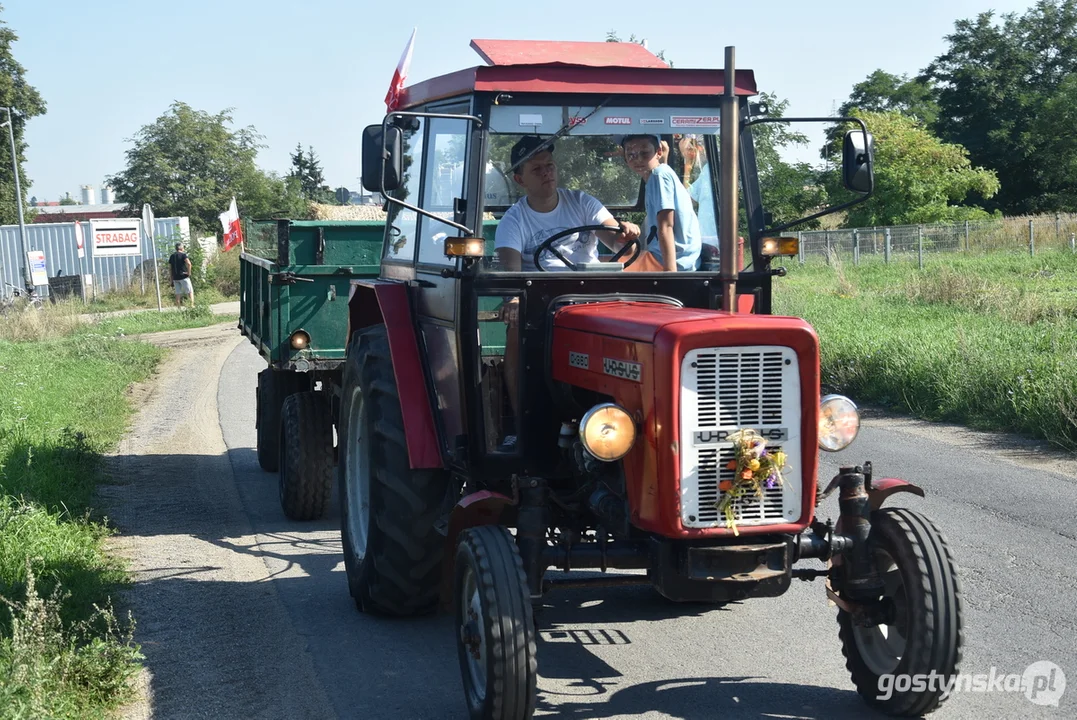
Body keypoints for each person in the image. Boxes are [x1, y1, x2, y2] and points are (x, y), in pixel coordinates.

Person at [492, 136, 641, 449]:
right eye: (537, 169)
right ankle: (524, 425)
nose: (547, 172)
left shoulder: (582, 203)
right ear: (520, 180)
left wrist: (627, 233)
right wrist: (514, 299)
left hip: (591, 299)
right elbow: (511, 272)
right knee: (516, 325)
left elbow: (617, 242)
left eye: (550, 166)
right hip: (542, 303)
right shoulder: (514, 221)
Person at [621, 134, 702, 271]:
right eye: (631, 154)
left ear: (658, 152)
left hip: (675, 262)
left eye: (644, 153)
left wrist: (670, 276)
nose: (637, 159)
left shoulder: (660, 176)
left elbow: (666, 226)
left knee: (604, 271)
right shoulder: (657, 175)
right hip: (672, 258)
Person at [168, 243, 194, 307]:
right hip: (183, 276)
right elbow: (189, 264)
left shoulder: (172, 256)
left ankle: (178, 307)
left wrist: (171, 279)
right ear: (181, 248)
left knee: (178, 293)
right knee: (190, 291)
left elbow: (170, 269)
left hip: (175, 277)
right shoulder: (183, 255)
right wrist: (189, 273)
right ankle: (191, 305)